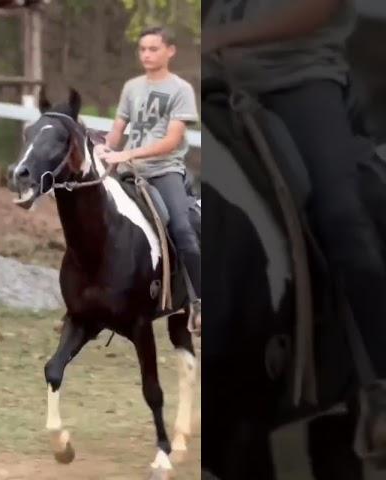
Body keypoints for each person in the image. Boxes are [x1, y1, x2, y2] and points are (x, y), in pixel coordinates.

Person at [202, 0, 386, 432]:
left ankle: (379, 380)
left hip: (298, 80)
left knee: (341, 215)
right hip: (216, 81)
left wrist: (223, 36)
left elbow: (315, 9)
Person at [98, 26, 201, 329]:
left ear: (170, 51)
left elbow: (171, 141)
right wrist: (106, 148)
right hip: (130, 172)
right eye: (142, 49)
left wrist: (126, 155)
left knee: (182, 229)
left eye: (153, 49)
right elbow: (118, 128)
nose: (146, 54)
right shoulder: (131, 87)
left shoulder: (180, 90)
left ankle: (199, 302)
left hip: (165, 171)